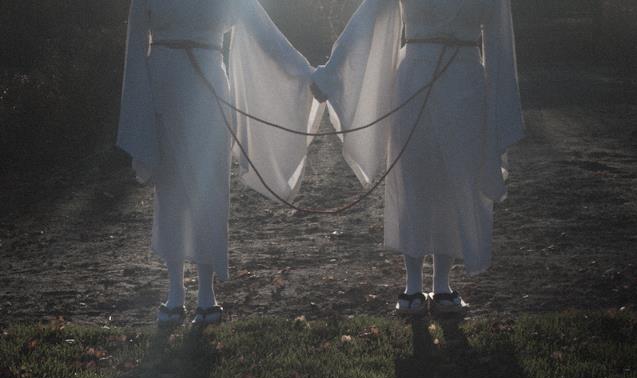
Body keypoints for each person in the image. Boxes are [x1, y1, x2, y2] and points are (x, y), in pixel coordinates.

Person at [312, 0, 524, 317]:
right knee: (413, 177)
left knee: (454, 181)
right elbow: (370, 13)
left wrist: (501, 104)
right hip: (414, 79)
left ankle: (442, 284)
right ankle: (412, 283)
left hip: (465, 84)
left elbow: (499, 36)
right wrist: (331, 72)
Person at [117, 0, 321, 325]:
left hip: (209, 89)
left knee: (209, 191)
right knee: (170, 193)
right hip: (163, 90)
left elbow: (263, 30)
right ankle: (175, 291)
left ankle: (206, 293)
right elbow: (135, 44)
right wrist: (137, 109)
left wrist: (306, 73)